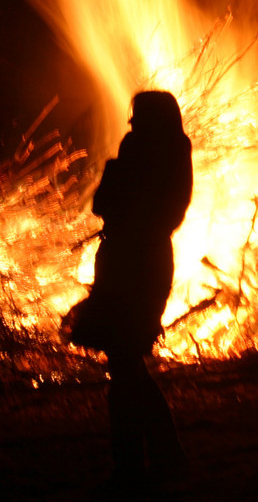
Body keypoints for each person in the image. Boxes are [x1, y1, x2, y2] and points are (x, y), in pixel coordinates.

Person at [69, 90, 192, 489]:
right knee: (126, 363)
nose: (131, 123)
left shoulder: (158, 155)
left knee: (125, 364)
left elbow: (112, 203)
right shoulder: (162, 151)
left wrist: (117, 174)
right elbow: (103, 204)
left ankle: (139, 463)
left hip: (140, 265)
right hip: (129, 262)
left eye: (138, 117)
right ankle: (151, 458)